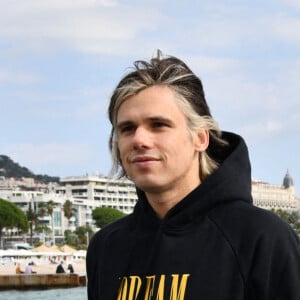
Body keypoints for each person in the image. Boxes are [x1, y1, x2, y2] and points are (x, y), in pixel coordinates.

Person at [86, 51, 300, 299]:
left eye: (158, 125)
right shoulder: (106, 248)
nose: (139, 140)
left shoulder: (262, 239)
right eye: (127, 128)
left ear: (200, 137)